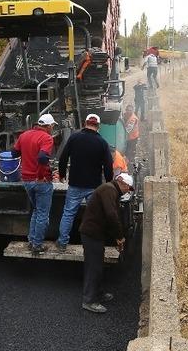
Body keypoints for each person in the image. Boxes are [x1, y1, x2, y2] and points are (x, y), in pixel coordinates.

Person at [56, 113, 113, 252]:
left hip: (75, 183)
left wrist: (62, 174)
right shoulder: (102, 143)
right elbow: (108, 165)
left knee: (68, 213)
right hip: (94, 186)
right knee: (95, 215)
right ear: (98, 126)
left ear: (85, 123)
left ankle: (62, 242)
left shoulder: (74, 137)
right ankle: (94, 244)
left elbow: (63, 157)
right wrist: (109, 182)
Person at [79, 173, 131, 313]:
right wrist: (119, 236)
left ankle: (98, 293)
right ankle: (89, 300)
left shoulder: (111, 190)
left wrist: (116, 237)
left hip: (97, 233)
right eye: (128, 188)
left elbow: (111, 215)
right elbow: (111, 215)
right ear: (122, 183)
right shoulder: (109, 190)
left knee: (98, 265)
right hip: (91, 233)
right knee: (93, 267)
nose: (128, 191)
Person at [11, 113, 56, 255]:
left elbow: (13, 153)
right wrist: (41, 176)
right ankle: (37, 244)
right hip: (40, 182)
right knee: (43, 213)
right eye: (53, 126)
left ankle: (32, 240)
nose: (53, 129)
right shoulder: (47, 138)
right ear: (48, 126)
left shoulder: (24, 135)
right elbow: (43, 158)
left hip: (26, 180)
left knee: (36, 211)